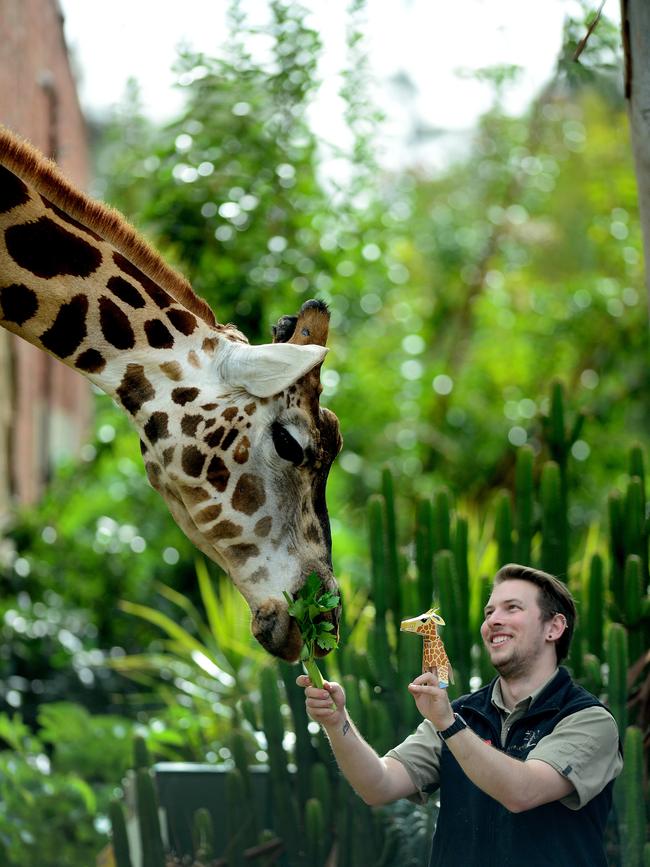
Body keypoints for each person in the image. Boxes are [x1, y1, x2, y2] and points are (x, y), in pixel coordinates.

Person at [297, 563, 623, 867]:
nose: (493, 620)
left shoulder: (588, 720)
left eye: (513, 608)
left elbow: (523, 792)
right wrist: (337, 721)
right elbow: (378, 785)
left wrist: (448, 726)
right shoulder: (462, 713)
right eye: (489, 611)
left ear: (554, 627)